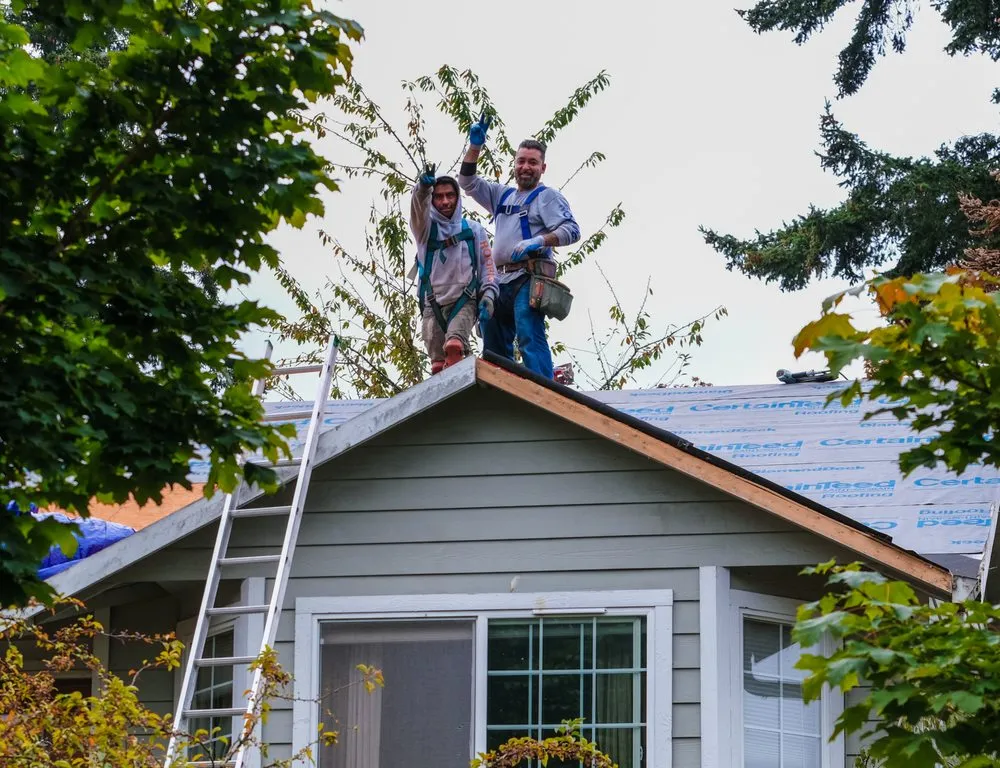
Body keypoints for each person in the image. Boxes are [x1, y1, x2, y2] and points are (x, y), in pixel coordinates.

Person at [458, 114, 581, 379]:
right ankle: (499, 393)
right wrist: (475, 146)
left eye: (533, 163)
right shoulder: (502, 196)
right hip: (498, 280)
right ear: (514, 164)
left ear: (543, 168)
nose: (526, 167)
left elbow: (572, 230)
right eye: (521, 161)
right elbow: (466, 182)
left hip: (528, 277)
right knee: (492, 341)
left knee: (528, 333)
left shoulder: (547, 197)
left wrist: (539, 240)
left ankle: (544, 391)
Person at [409, 164, 498, 374]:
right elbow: (417, 210)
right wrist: (422, 190)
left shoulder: (472, 230)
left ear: (458, 197)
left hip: (464, 299)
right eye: (438, 197)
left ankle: (460, 388)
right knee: (438, 367)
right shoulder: (425, 230)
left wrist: (489, 295)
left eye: (450, 195)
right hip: (433, 304)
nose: (445, 201)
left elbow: (488, 267)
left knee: (454, 347)